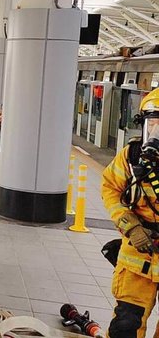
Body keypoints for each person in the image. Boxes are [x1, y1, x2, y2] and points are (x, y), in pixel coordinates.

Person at [101, 87, 159, 338]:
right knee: (125, 326)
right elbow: (110, 188)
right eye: (153, 124)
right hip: (138, 260)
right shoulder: (131, 156)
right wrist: (130, 225)